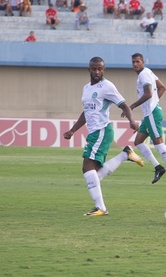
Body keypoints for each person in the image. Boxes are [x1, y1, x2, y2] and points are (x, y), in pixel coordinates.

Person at [63, 57, 144, 217]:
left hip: (102, 131)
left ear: (104, 70)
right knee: (95, 172)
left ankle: (101, 207)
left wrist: (132, 121)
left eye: (100, 69)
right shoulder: (86, 88)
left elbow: (124, 105)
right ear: (89, 69)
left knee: (87, 166)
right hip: (95, 132)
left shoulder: (107, 86)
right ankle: (125, 154)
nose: (97, 72)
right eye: (94, 69)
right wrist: (73, 130)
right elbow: (86, 112)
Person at [130, 53, 166, 186]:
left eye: (138, 61)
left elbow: (148, 94)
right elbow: (162, 87)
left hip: (152, 113)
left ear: (142, 62)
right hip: (150, 113)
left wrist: (133, 105)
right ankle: (158, 168)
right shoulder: (149, 72)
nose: (135, 64)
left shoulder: (144, 74)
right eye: (133, 62)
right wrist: (155, 101)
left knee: (159, 144)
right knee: (138, 142)